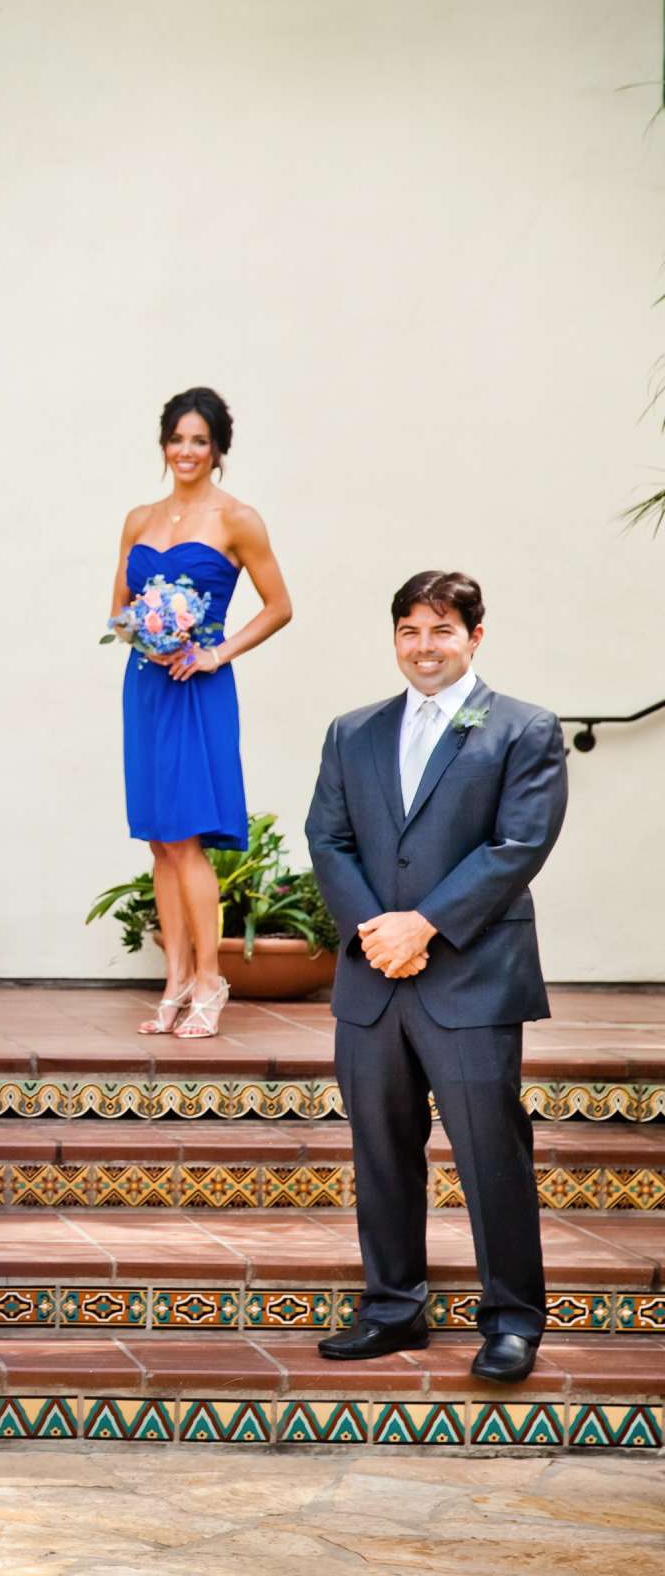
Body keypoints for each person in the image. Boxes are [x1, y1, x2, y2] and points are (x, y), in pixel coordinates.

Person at [305, 571, 565, 1385]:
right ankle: (392, 1308)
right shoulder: (354, 731)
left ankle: (513, 1320)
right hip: (373, 977)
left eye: (442, 630)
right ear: (395, 640)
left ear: (475, 638)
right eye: (410, 631)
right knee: (381, 1149)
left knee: (491, 1153)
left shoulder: (523, 729)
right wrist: (375, 932)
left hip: (474, 977)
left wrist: (425, 925)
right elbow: (329, 837)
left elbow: (517, 847)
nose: (425, 646)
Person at [111, 386, 293, 1037]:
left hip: (198, 686)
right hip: (146, 684)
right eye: (178, 439)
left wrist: (214, 653)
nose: (187, 451)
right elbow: (119, 611)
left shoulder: (238, 519)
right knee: (161, 841)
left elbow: (278, 606)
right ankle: (175, 981)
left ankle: (211, 980)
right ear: (164, 444)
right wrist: (147, 634)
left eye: (199, 440)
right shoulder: (138, 518)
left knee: (188, 839)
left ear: (217, 449)